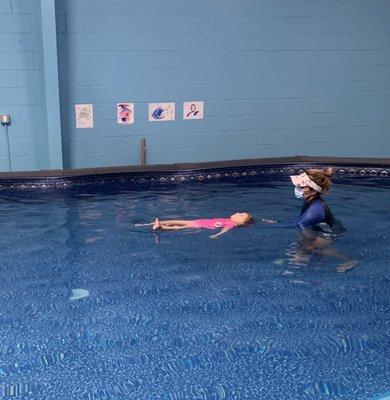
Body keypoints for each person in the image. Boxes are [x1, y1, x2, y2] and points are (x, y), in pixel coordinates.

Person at [289, 167, 357, 272]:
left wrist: (257, 222)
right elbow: (300, 222)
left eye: (301, 186)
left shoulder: (314, 212)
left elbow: (295, 225)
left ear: (312, 190)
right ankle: (318, 263)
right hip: (320, 227)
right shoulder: (309, 200)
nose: (297, 187)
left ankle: (350, 260)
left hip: (331, 232)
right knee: (302, 244)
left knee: (312, 247)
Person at [136, 212, 253, 239]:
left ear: (241, 222)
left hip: (198, 226)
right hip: (198, 221)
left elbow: (225, 230)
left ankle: (160, 227)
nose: (238, 212)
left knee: (179, 227)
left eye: (241, 215)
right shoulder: (228, 219)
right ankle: (151, 223)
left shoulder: (231, 223)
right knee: (174, 220)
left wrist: (217, 235)